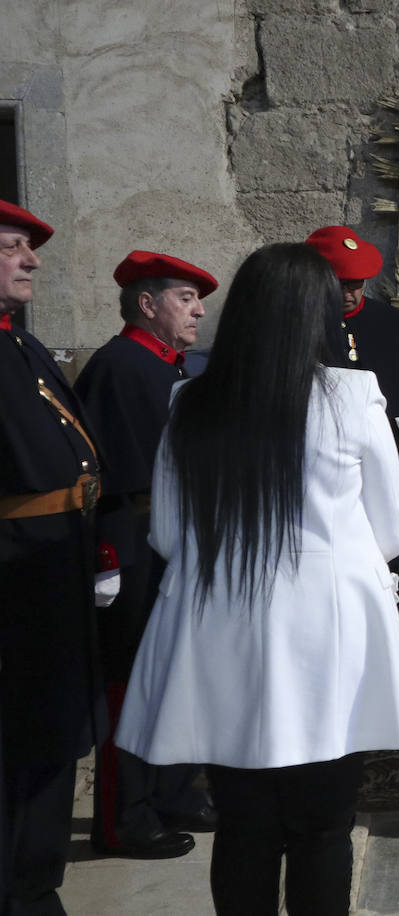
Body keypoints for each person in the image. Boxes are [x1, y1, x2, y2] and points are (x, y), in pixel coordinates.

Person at [114, 243, 399, 914]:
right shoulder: (351, 394)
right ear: (313, 315)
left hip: (223, 633)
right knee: (320, 824)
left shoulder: (190, 400)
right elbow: (392, 530)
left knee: (245, 824)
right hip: (327, 637)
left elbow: (167, 534)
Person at [74, 250, 220, 861]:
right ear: (147, 303)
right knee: (129, 682)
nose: (198, 310)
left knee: (177, 672)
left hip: (175, 540)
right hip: (133, 546)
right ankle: (122, 816)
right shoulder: (117, 366)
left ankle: (172, 790)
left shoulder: (173, 367)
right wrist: (106, 556)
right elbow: (99, 472)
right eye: (185, 298)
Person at [0, 199, 114, 913]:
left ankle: (36, 883)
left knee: (51, 732)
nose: (33, 258)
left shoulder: (22, 345)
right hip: (14, 575)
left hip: (51, 567)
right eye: (13, 246)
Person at [305, 224, 399, 659]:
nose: (349, 294)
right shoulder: (301, 326)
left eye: (356, 284)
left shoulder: (392, 324)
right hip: (326, 472)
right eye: (340, 285)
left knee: (393, 559)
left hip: (384, 463)